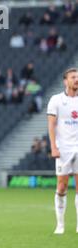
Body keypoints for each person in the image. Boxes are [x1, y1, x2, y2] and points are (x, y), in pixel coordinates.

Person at [47, 68, 78, 234]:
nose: (76, 80)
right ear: (65, 81)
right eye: (73, 77)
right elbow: (51, 124)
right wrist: (54, 147)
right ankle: (60, 224)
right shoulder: (56, 100)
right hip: (63, 148)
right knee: (62, 186)